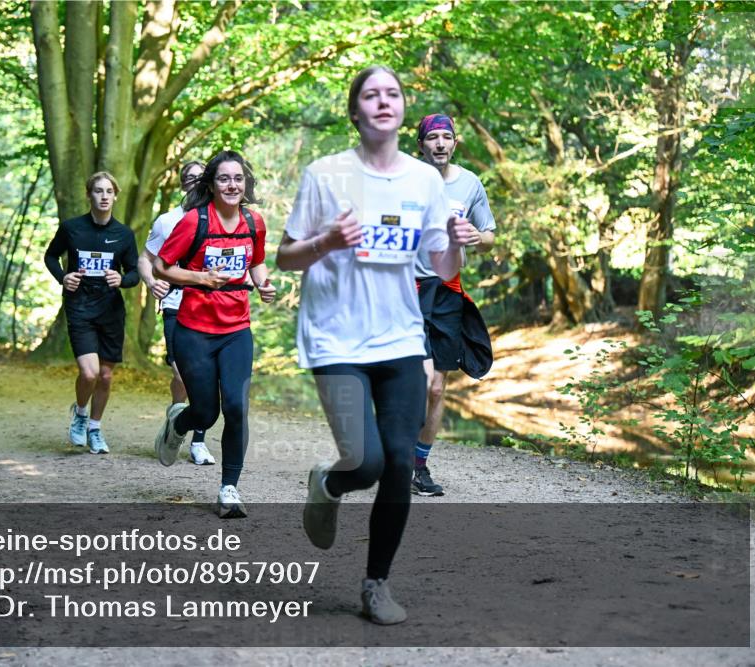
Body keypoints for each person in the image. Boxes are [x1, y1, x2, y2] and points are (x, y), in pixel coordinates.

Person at [276, 66, 466, 625]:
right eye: (371, 94)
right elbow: (284, 257)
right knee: (365, 464)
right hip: (335, 338)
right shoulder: (325, 173)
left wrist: (458, 244)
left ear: (403, 109)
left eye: (393, 94)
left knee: (400, 461)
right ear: (354, 110)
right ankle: (330, 481)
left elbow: (442, 266)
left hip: (400, 336)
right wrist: (326, 240)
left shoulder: (424, 181)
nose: (383, 101)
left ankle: (376, 584)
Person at [152, 150, 276, 519]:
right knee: (205, 413)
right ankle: (179, 423)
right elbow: (161, 267)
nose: (232, 185)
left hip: (236, 329)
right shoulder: (194, 222)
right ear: (211, 184)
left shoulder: (253, 222)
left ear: (245, 183)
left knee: (236, 408)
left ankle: (228, 488)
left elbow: (256, 262)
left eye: (238, 178)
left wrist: (264, 284)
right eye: (224, 178)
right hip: (194, 330)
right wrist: (200, 278)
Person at [411, 113, 497, 497]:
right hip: (407, 288)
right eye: (433, 138)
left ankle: (418, 467)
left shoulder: (469, 184)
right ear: (421, 145)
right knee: (415, 379)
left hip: (448, 290)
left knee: (436, 387)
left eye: (447, 137)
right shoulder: (404, 180)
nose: (440, 143)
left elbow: (490, 236)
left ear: (455, 143)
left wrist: (478, 237)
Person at [44, 171, 140, 455]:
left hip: (110, 311)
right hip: (80, 307)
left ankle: (95, 429)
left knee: (106, 376)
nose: (104, 196)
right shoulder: (72, 228)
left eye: (109, 191)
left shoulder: (124, 234)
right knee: (89, 373)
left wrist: (122, 279)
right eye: (98, 191)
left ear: (115, 196)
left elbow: (134, 272)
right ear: (89, 195)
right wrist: (63, 277)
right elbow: (50, 256)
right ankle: (80, 413)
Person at [138, 161, 216, 466]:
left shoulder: (219, 220)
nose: (196, 183)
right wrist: (151, 282)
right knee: (183, 373)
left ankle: (198, 441)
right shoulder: (167, 221)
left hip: (210, 307)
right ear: (183, 184)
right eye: (190, 178)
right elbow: (146, 259)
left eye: (201, 178)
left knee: (205, 376)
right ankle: (177, 419)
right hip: (175, 304)